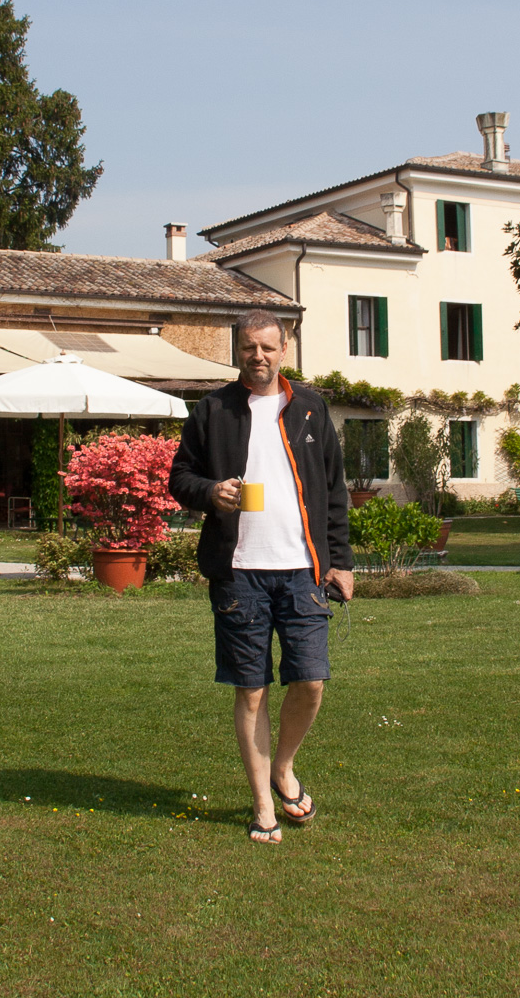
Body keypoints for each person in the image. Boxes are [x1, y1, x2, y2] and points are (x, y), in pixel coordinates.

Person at [169, 309, 354, 844]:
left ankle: (283, 767)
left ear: (284, 349)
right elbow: (180, 477)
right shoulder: (213, 409)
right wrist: (211, 492)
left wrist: (341, 561)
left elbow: (334, 491)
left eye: (268, 347)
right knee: (251, 692)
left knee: (311, 681)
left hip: (302, 571)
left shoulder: (311, 408)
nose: (258, 356)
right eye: (249, 347)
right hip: (239, 574)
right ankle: (262, 806)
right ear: (237, 350)